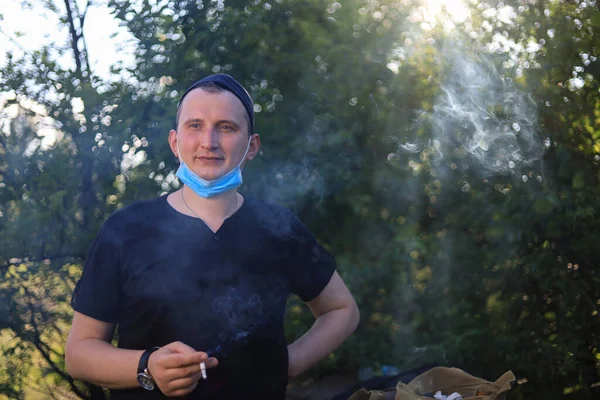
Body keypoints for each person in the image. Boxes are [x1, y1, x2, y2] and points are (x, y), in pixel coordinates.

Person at [65, 73, 360, 399]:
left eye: (226, 127)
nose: (209, 141)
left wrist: (285, 363)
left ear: (252, 147)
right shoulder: (125, 230)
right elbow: (79, 353)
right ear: (175, 143)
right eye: (195, 125)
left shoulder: (279, 229)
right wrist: (146, 365)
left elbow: (341, 309)